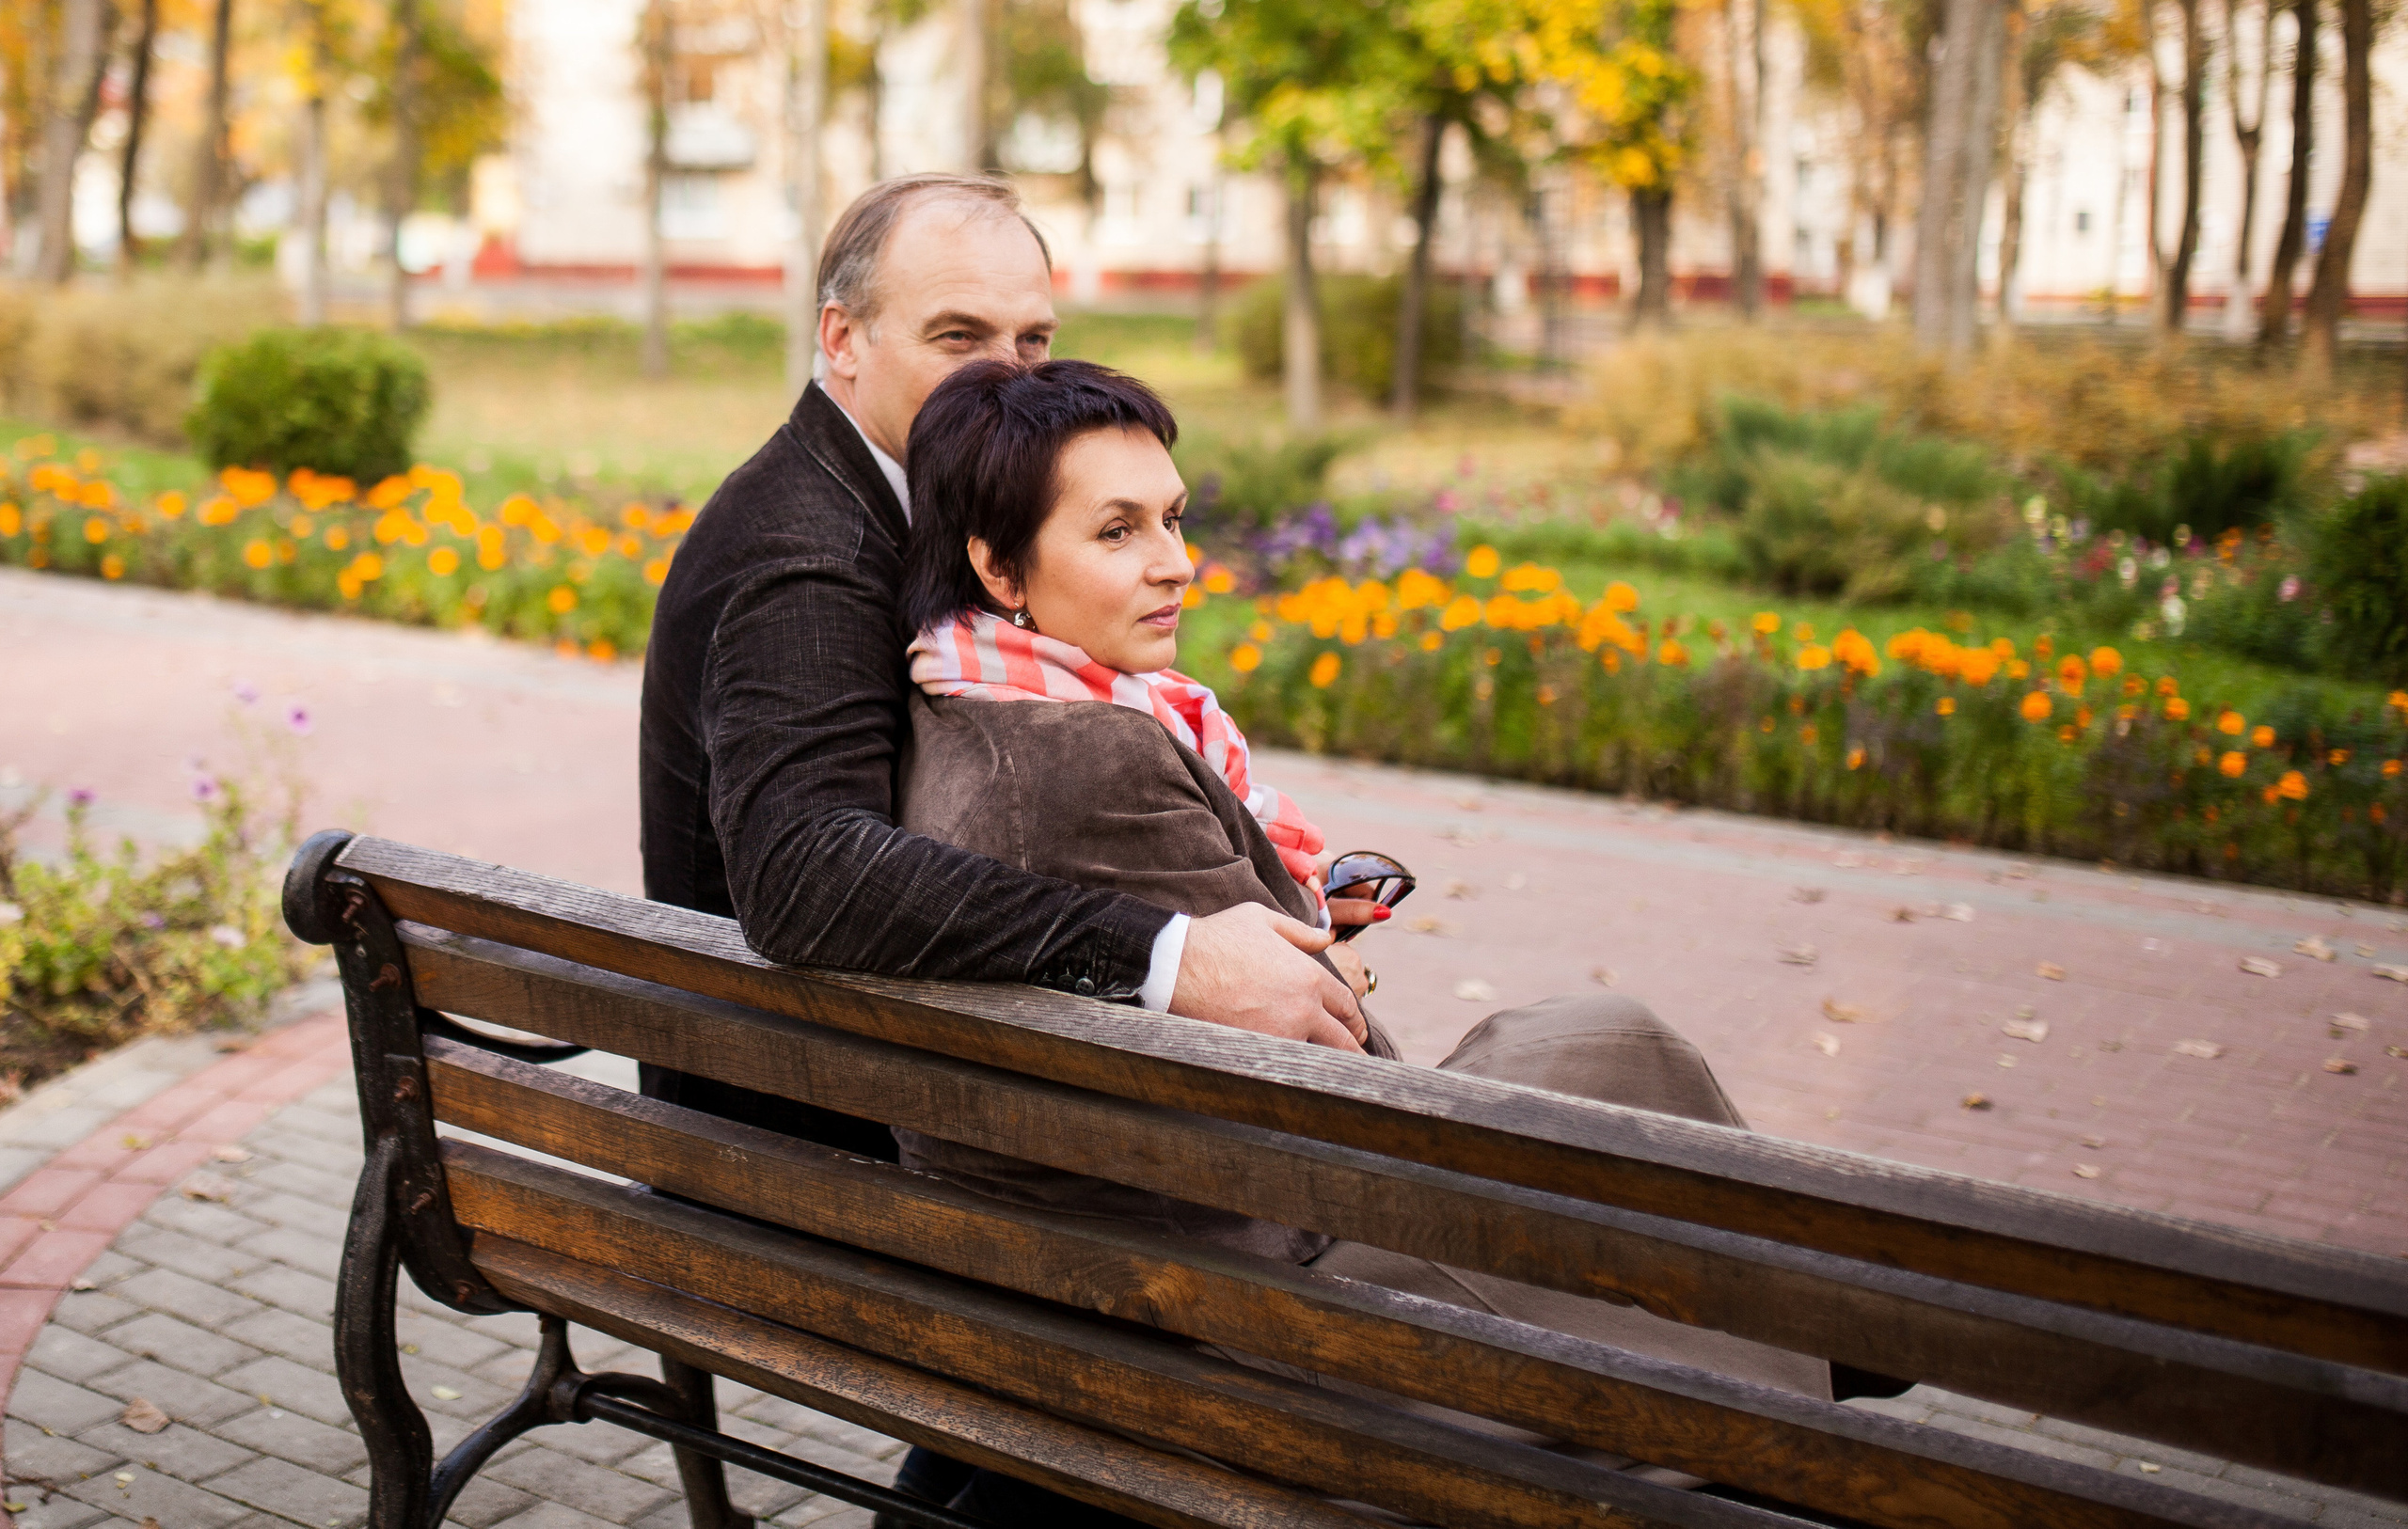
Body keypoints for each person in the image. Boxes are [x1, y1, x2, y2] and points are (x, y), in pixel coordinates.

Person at [880, 357, 1834, 1526]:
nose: (1175, 562)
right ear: (999, 567)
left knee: (1602, 1047)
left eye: (1173, 518)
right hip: (1246, 1282)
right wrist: (1333, 962)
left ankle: (1819, 1331)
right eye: (1117, 532)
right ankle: (1824, 1375)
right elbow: (1322, 1069)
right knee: (1617, 1073)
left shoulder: (953, 703)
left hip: (1113, 1228)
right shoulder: (1091, 756)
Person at [639, 174, 1370, 1166]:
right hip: (800, 1147)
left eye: (1032, 341)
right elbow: (803, 872)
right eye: (958, 337)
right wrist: (1169, 953)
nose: (1007, 375)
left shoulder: (898, 498)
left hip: (863, 1089)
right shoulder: (808, 558)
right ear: (842, 338)